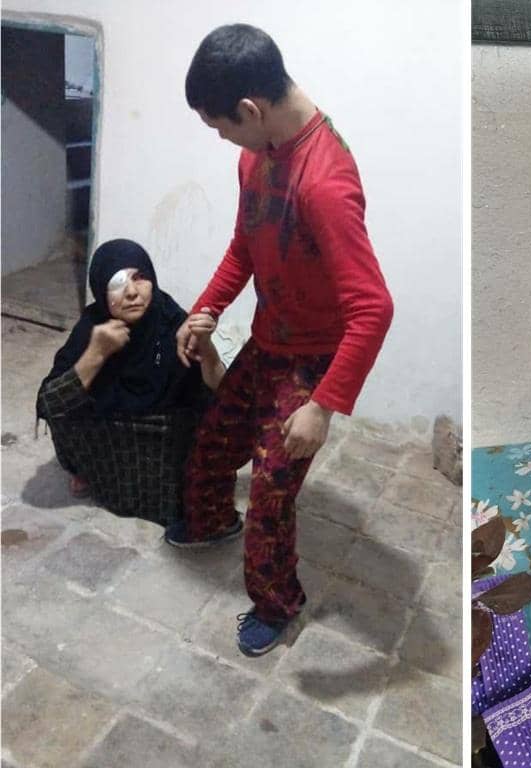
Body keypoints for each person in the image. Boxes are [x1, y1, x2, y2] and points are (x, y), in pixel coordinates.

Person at [162, 24, 394, 658]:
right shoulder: (256, 154)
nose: (222, 141)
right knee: (212, 444)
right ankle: (209, 522)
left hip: (311, 366)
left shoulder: (323, 182)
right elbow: (245, 247)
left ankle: (277, 602)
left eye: (221, 127)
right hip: (268, 344)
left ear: (249, 110)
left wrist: (322, 404)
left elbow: (373, 308)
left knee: (270, 491)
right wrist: (206, 308)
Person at [36, 238, 224, 522]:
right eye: (117, 283)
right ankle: (86, 471)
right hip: (109, 442)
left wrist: (207, 348)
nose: (133, 293)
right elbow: (50, 405)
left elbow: (221, 391)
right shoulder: (92, 327)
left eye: (140, 278)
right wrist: (96, 353)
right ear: (100, 291)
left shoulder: (172, 322)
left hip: (164, 440)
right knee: (66, 400)